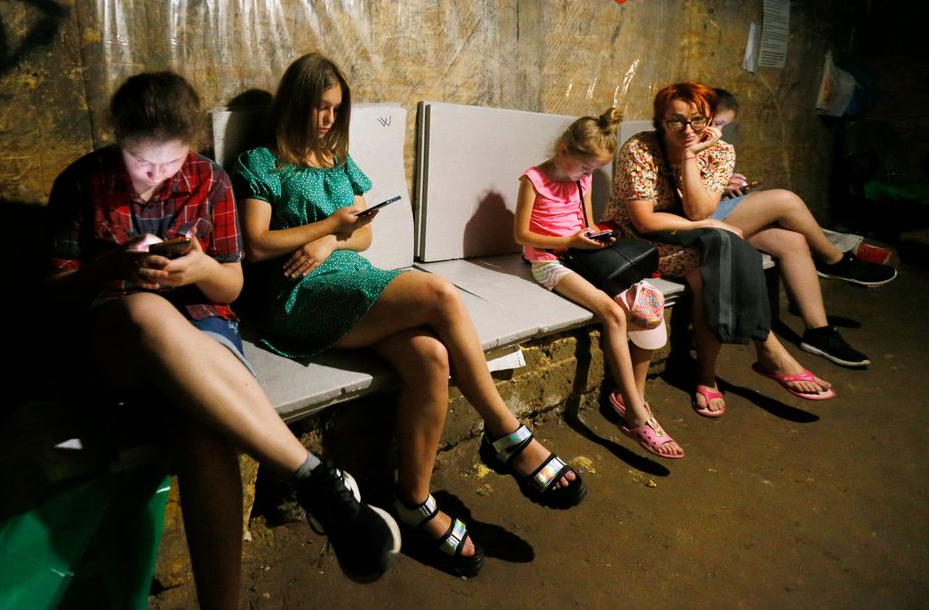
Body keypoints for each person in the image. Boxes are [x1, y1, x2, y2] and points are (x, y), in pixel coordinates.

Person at [44, 72, 399, 607]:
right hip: (118, 339)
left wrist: (200, 269)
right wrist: (113, 265)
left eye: (169, 162)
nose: (154, 176)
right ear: (119, 137)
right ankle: (312, 477)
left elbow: (231, 284)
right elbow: (54, 297)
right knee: (145, 310)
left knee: (202, 426)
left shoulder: (210, 180)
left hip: (204, 325)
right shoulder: (83, 182)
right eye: (142, 160)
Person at [232, 53, 585, 580]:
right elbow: (257, 245)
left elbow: (367, 231)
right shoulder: (262, 161)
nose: (327, 119)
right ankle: (509, 436)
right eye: (318, 107)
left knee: (430, 356)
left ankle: (413, 502)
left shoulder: (338, 157)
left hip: (349, 280)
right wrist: (329, 226)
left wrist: (333, 240)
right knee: (440, 294)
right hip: (296, 295)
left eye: (335, 109)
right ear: (293, 104)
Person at [603, 82, 837, 418]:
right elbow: (644, 221)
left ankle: (709, 374)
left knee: (712, 262)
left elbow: (699, 210)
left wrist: (688, 156)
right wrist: (709, 225)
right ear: (660, 121)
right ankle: (763, 352)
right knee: (723, 250)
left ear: (709, 119)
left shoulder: (720, 152)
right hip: (636, 240)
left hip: (691, 233)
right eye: (676, 122)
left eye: (697, 120)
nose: (688, 130)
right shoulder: (640, 148)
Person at [514, 108, 684, 459]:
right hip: (548, 260)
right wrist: (571, 242)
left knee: (647, 303)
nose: (588, 175)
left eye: (593, 170)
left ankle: (629, 398)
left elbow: (587, 221)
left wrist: (596, 237)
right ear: (564, 150)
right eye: (585, 167)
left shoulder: (582, 178)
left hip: (582, 255)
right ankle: (638, 416)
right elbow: (521, 235)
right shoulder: (533, 179)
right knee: (612, 313)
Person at [706, 88, 894, 367]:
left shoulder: (715, 146)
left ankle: (818, 331)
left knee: (792, 241)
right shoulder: (680, 139)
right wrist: (718, 185)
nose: (720, 132)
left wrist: (725, 184)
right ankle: (835, 259)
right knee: (785, 200)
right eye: (717, 124)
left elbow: (705, 183)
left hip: (714, 211)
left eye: (725, 126)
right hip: (690, 222)